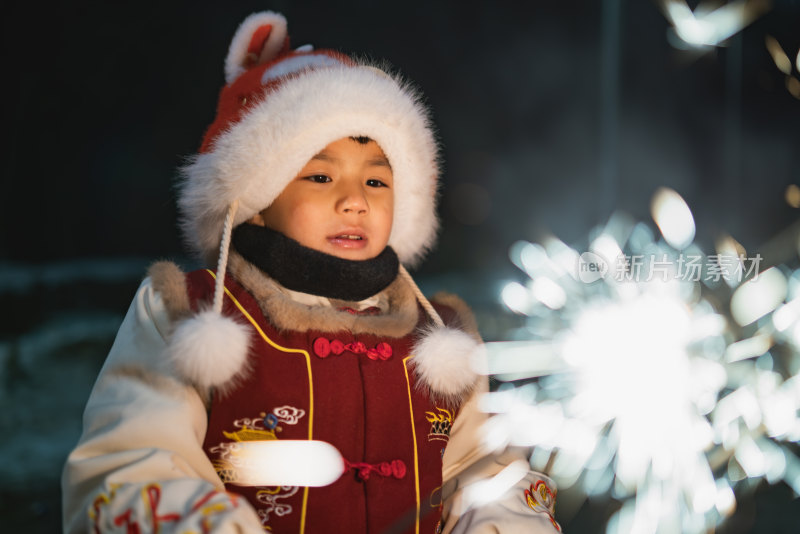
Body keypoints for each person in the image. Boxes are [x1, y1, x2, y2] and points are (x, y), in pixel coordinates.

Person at [62, 11, 561, 534]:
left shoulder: (440, 339)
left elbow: (482, 474)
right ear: (256, 199)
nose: (353, 202)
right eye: (320, 176)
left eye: (376, 182)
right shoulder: (188, 314)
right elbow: (130, 465)